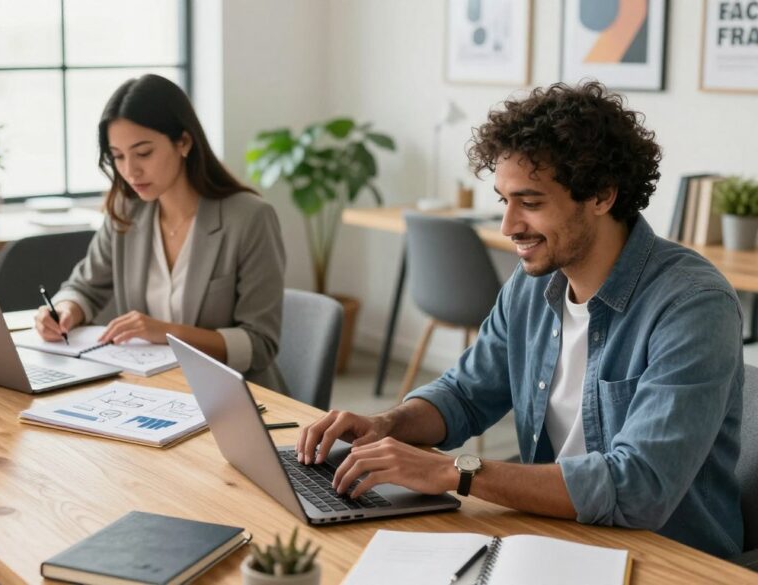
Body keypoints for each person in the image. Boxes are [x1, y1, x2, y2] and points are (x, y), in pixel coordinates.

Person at [297, 81, 744, 558]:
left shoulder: (692, 305)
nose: (508, 226)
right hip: (554, 535)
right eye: (504, 200)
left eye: (530, 203)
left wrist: (456, 471)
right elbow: (465, 395)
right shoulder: (533, 283)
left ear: (601, 195)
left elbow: (639, 488)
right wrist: (385, 424)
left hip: (666, 556)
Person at [35, 74, 287, 390]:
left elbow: (260, 344)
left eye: (143, 153)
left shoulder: (250, 218)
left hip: (238, 397)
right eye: (118, 156)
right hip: (153, 390)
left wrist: (166, 332)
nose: (130, 171)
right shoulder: (126, 212)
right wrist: (63, 310)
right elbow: (84, 287)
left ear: (183, 142)